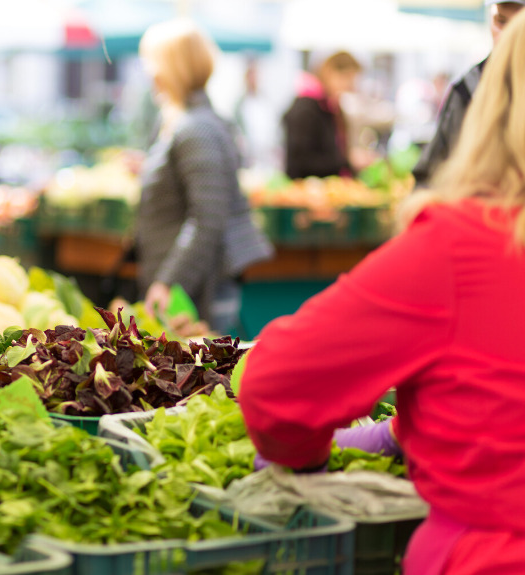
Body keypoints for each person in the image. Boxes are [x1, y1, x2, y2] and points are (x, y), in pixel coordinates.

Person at [238, 10, 525, 573]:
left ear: (493, 105)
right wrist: (400, 431)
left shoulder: (463, 246)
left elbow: (275, 385)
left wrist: (307, 454)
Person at [135, 19, 273, 335]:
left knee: (205, 377)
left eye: (151, 62)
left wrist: (169, 281)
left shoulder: (196, 129)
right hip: (188, 287)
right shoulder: (182, 122)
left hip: (199, 292)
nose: (149, 73)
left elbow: (207, 219)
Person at [412, 0, 524, 187]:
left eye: (518, 25)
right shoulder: (466, 90)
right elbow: (430, 175)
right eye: (501, 22)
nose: (506, 37)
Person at [282, 51, 363, 180]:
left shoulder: (331, 106)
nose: (351, 87)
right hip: (306, 192)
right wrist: (346, 162)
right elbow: (301, 161)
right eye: (347, 78)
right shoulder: (306, 108)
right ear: (330, 72)